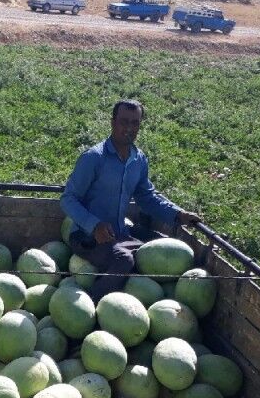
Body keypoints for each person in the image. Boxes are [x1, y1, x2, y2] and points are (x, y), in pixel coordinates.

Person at [60, 99, 202, 302]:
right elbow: (68, 199)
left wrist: (178, 214)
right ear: (112, 122)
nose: (129, 128)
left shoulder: (139, 160)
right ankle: (93, 303)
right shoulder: (93, 158)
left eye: (134, 123)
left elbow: (147, 197)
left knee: (160, 244)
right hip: (87, 238)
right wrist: (94, 226)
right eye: (123, 121)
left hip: (120, 233)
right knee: (124, 260)